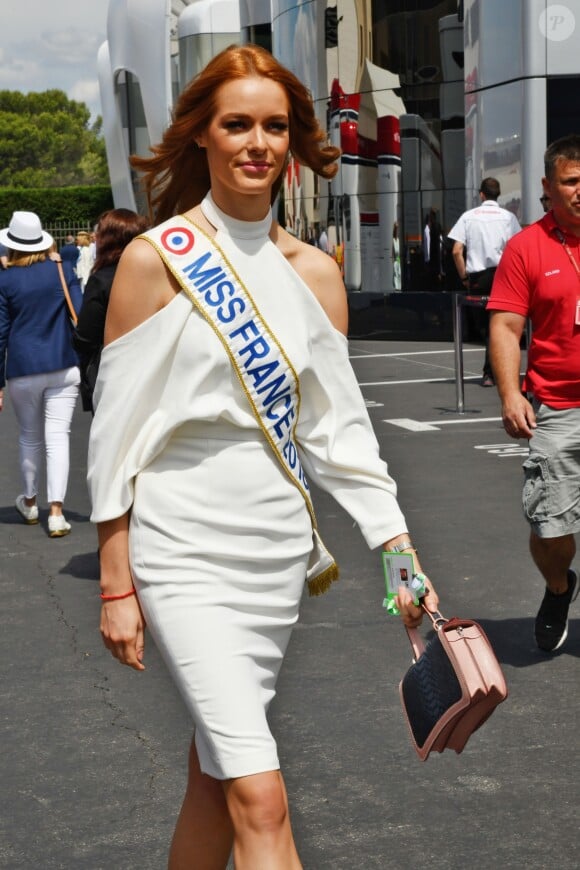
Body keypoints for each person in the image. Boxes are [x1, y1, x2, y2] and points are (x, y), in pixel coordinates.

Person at [87, 44, 438, 869]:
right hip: (183, 551)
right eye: (236, 124)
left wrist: (399, 558)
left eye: (274, 126)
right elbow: (116, 432)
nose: (258, 143)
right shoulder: (156, 260)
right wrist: (115, 580)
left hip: (274, 556)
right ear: (201, 137)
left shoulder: (317, 274)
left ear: (294, 139)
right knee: (260, 795)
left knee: (216, 779)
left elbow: (341, 435)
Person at [488, 134, 580, 653]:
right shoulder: (527, 247)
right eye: (570, 181)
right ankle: (559, 587)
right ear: (548, 187)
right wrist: (509, 393)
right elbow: (505, 327)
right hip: (558, 406)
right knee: (550, 527)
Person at [0, 211, 82, 537]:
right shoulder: (60, 269)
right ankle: (57, 513)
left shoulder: (4, 278)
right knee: (58, 437)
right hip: (63, 362)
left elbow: (0, 333)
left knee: (30, 436)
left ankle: (31, 502)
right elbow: (80, 309)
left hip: (22, 367)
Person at [72, 209, 149, 413]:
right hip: (154, 370)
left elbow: (86, 336)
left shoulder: (102, 280)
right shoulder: (156, 273)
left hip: (114, 374)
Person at [449, 177, 520, 386]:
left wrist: (463, 277)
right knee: (498, 325)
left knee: (485, 328)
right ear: (497, 194)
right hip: (502, 275)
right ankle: (493, 372)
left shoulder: (468, 217)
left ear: (481, 194)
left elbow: (456, 251)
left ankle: (490, 372)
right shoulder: (508, 217)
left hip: (478, 278)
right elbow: (517, 249)